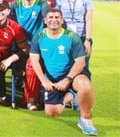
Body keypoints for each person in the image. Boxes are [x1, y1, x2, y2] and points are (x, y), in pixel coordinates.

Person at [30, 8, 97, 136]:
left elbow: (81, 62)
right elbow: (34, 60)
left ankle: (85, 119)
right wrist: (44, 80)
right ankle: (72, 96)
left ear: (62, 20)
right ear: (45, 20)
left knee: (84, 85)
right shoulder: (38, 37)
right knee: (52, 112)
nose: (54, 20)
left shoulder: (72, 37)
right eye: (50, 17)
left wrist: (67, 79)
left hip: (74, 74)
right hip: (53, 77)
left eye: (57, 17)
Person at [10, 0, 49, 110]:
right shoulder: (16, 4)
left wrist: (46, 27)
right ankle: (21, 90)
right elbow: (9, 20)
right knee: (18, 69)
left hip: (36, 44)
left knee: (33, 68)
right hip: (20, 44)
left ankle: (35, 97)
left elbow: (46, 16)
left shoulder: (41, 3)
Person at [0, 0, 29, 103]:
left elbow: (25, 49)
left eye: (2, 9)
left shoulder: (14, 27)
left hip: (1, 59)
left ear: (8, 11)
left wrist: (9, 60)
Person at [55, 0, 94, 70]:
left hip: (81, 37)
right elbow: (57, 20)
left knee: (83, 67)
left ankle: (83, 84)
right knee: (65, 66)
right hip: (65, 37)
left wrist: (88, 40)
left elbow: (88, 20)